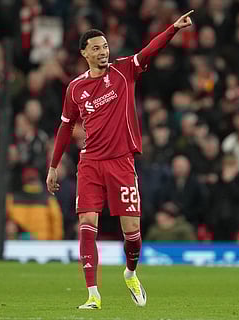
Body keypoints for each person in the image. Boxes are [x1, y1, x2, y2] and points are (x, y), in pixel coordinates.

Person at [46, 11, 195, 309]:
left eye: (105, 46)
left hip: (122, 163)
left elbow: (150, 50)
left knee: (133, 236)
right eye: (97, 48)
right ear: (84, 53)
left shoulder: (124, 71)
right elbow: (65, 127)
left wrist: (173, 29)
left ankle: (130, 273)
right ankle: (93, 295)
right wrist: (53, 165)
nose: (103, 52)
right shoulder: (75, 88)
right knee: (87, 223)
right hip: (90, 163)